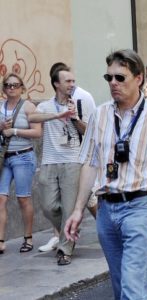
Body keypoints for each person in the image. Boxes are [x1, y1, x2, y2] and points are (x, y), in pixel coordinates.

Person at [64, 49, 147, 299]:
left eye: (120, 78)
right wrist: (78, 209)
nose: (113, 83)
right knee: (121, 284)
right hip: (106, 209)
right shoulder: (99, 115)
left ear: (138, 79)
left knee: (133, 288)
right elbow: (90, 164)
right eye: (109, 77)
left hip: (140, 206)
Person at [27, 64, 95, 265]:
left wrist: (74, 118)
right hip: (49, 161)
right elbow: (31, 117)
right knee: (48, 207)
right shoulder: (46, 106)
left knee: (68, 207)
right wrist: (58, 115)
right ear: (57, 84)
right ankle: (72, 229)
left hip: (73, 161)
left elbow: (88, 132)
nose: (72, 85)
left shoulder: (79, 103)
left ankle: (65, 249)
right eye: (68, 81)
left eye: (73, 81)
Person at [0, 74, 42, 254]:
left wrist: (14, 130)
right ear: (3, 88)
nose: (11, 88)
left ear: (22, 88)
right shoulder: (0, 106)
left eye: (15, 85)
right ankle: (1, 241)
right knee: (1, 198)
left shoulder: (29, 106)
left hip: (23, 157)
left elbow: (37, 133)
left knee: (23, 198)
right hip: (4, 158)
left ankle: (28, 237)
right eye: (8, 85)